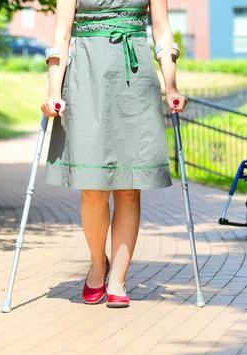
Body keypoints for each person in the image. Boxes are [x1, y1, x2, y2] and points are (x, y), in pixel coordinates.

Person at [41, 0, 186, 308]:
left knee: (128, 188)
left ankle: (118, 279)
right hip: (85, 78)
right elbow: (61, 37)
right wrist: (53, 91)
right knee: (93, 188)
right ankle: (97, 264)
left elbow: (161, 31)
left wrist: (171, 86)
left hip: (135, 78)